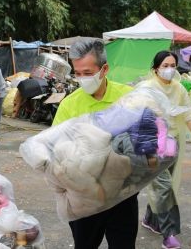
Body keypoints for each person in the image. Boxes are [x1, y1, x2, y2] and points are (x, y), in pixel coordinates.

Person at [52, 38, 138, 249]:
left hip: (122, 195)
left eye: (88, 73)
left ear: (104, 69)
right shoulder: (69, 105)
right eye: (77, 73)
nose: (82, 79)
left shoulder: (128, 97)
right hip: (84, 199)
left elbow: (145, 140)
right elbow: (56, 150)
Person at [136, 51, 191, 249]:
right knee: (164, 188)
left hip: (173, 143)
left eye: (173, 65)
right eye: (165, 65)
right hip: (153, 145)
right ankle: (169, 234)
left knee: (162, 187)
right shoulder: (146, 88)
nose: (169, 69)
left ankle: (150, 220)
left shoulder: (178, 88)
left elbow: (190, 114)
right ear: (155, 68)